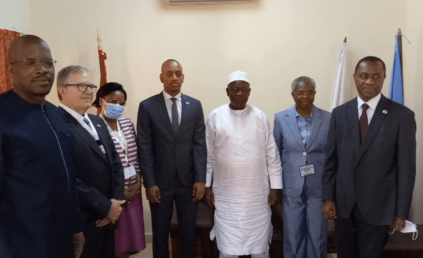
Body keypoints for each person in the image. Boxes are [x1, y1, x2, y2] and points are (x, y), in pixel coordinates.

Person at [0, 35, 84, 258]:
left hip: (61, 239)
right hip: (21, 245)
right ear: (12, 71)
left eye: (48, 63)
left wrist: (76, 225)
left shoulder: (57, 115)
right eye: (30, 63)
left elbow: (69, 177)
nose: (42, 70)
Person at [322, 56, 416, 258]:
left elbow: (406, 169)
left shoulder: (402, 116)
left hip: (380, 208)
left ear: (384, 78)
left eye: (376, 76)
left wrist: (401, 212)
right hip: (344, 207)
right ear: (355, 77)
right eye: (364, 76)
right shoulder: (339, 114)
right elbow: (331, 160)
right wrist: (328, 197)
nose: (370, 81)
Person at [205, 70, 283, 258]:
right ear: (227, 91)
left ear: (249, 92)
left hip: (257, 195)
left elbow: (272, 155)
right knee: (228, 248)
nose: (239, 93)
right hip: (226, 195)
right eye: (235, 89)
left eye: (243, 90)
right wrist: (207, 186)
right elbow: (208, 155)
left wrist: (276, 187)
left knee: (259, 248)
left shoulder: (259, 116)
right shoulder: (215, 116)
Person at [136, 59, 206, 258]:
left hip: (189, 182)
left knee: (188, 234)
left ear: (183, 77)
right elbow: (145, 146)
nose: (174, 77)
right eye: (169, 73)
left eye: (178, 73)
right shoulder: (148, 106)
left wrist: (201, 179)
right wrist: (149, 182)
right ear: (161, 77)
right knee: (159, 235)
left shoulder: (195, 105)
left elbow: (199, 144)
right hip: (160, 183)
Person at [57, 66, 125, 258]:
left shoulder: (97, 122)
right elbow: (67, 176)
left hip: (109, 218)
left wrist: (115, 205)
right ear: (62, 90)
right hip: (84, 222)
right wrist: (105, 207)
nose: (89, 92)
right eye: (81, 86)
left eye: (91, 86)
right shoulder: (56, 123)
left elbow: (116, 164)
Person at [273, 76, 330, 258]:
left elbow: (332, 154)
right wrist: (275, 186)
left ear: (314, 93)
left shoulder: (328, 118)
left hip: (318, 186)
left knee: (317, 234)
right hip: (292, 186)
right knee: (293, 235)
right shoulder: (281, 118)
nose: (305, 96)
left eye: (309, 92)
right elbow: (275, 154)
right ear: (293, 95)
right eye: (300, 93)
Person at [92, 82, 146, 257]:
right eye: (113, 101)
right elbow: (97, 166)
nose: (118, 106)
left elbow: (135, 155)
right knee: (116, 244)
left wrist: (138, 183)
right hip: (114, 196)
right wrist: (120, 190)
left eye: (122, 103)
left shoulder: (128, 124)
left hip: (133, 192)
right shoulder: (94, 128)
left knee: (130, 243)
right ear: (102, 101)